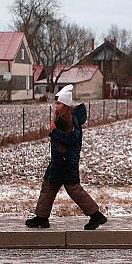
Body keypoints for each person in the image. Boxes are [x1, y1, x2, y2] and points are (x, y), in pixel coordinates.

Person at [25, 85, 108, 230]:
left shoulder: (69, 120)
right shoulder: (64, 118)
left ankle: (96, 216)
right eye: (55, 103)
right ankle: (41, 218)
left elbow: (71, 139)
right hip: (59, 161)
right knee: (48, 186)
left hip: (66, 162)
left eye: (58, 103)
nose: (55, 106)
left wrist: (54, 132)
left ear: (66, 105)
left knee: (73, 190)